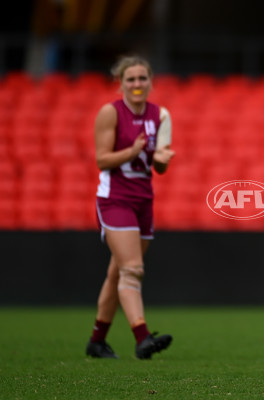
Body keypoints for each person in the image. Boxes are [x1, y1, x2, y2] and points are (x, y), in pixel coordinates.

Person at [86, 55, 175, 360]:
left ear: (150, 81)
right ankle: (141, 336)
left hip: (143, 199)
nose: (137, 84)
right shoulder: (110, 113)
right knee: (132, 269)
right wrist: (133, 150)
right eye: (131, 79)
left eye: (142, 78)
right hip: (115, 199)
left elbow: (159, 166)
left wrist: (161, 161)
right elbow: (102, 160)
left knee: (118, 272)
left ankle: (97, 341)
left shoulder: (160, 115)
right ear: (121, 83)